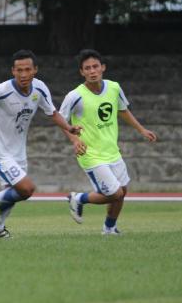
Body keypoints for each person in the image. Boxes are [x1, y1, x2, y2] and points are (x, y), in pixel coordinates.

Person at [0, 50, 82, 238]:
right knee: (26, 189)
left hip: (18, 153)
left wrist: (69, 129)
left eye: (28, 69)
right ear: (13, 71)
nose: (24, 74)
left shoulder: (40, 88)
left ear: (35, 70)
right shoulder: (1, 90)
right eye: (19, 70)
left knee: (11, 195)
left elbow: (52, 112)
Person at [60, 49, 157, 234]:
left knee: (122, 192)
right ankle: (78, 199)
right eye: (87, 68)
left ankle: (109, 228)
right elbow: (61, 120)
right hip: (90, 153)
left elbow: (123, 110)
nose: (92, 71)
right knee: (115, 193)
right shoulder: (74, 96)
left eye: (95, 66)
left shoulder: (114, 87)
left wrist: (141, 129)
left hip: (112, 150)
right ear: (82, 72)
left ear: (103, 67)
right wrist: (74, 140)